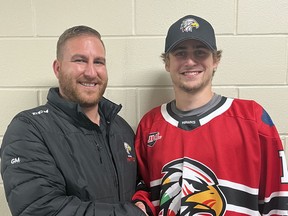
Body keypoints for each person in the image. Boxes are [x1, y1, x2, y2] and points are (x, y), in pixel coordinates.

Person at [132, 15, 288, 215]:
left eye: (200, 52)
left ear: (216, 60)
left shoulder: (252, 118)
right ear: (167, 63)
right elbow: (144, 191)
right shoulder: (150, 125)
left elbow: (278, 201)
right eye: (180, 53)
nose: (190, 61)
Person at [0, 25, 146, 216]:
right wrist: (133, 213)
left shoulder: (121, 128)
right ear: (58, 68)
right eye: (80, 60)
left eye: (99, 62)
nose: (91, 72)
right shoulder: (28, 129)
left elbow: (140, 188)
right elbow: (41, 209)